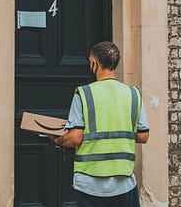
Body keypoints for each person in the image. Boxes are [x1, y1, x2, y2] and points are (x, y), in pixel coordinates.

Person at [48, 41, 149, 207]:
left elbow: (74, 138)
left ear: (94, 63)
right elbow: (144, 136)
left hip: (89, 184)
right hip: (124, 182)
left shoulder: (84, 93)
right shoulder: (133, 94)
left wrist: (56, 140)